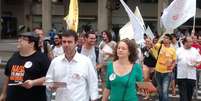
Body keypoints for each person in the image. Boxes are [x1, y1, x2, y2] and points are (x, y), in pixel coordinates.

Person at [45, 30, 99, 101]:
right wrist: (51, 86)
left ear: (76, 43)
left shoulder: (85, 61)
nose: (66, 45)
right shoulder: (55, 62)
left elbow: (93, 83)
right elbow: (48, 79)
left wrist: (94, 98)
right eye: (64, 42)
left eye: (69, 42)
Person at [0, 32, 50, 101]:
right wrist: (3, 93)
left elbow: (49, 78)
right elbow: (8, 75)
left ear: (32, 44)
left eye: (23, 39)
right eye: (19, 38)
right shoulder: (14, 56)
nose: (19, 40)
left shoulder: (42, 58)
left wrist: (33, 82)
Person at [152, 34, 176, 101]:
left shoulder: (172, 50)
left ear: (170, 41)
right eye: (164, 38)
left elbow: (174, 61)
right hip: (158, 72)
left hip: (167, 73)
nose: (165, 39)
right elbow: (153, 46)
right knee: (160, 91)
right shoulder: (159, 46)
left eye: (167, 38)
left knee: (165, 91)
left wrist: (172, 67)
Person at [177, 36, 201, 101]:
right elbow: (174, 61)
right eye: (190, 42)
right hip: (181, 76)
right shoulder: (179, 50)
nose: (192, 43)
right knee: (183, 97)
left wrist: (195, 64)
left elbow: (199, 61)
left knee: (189, 96)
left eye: (192, 41)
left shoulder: (194, 51)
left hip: (191, 77)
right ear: (185, 42)